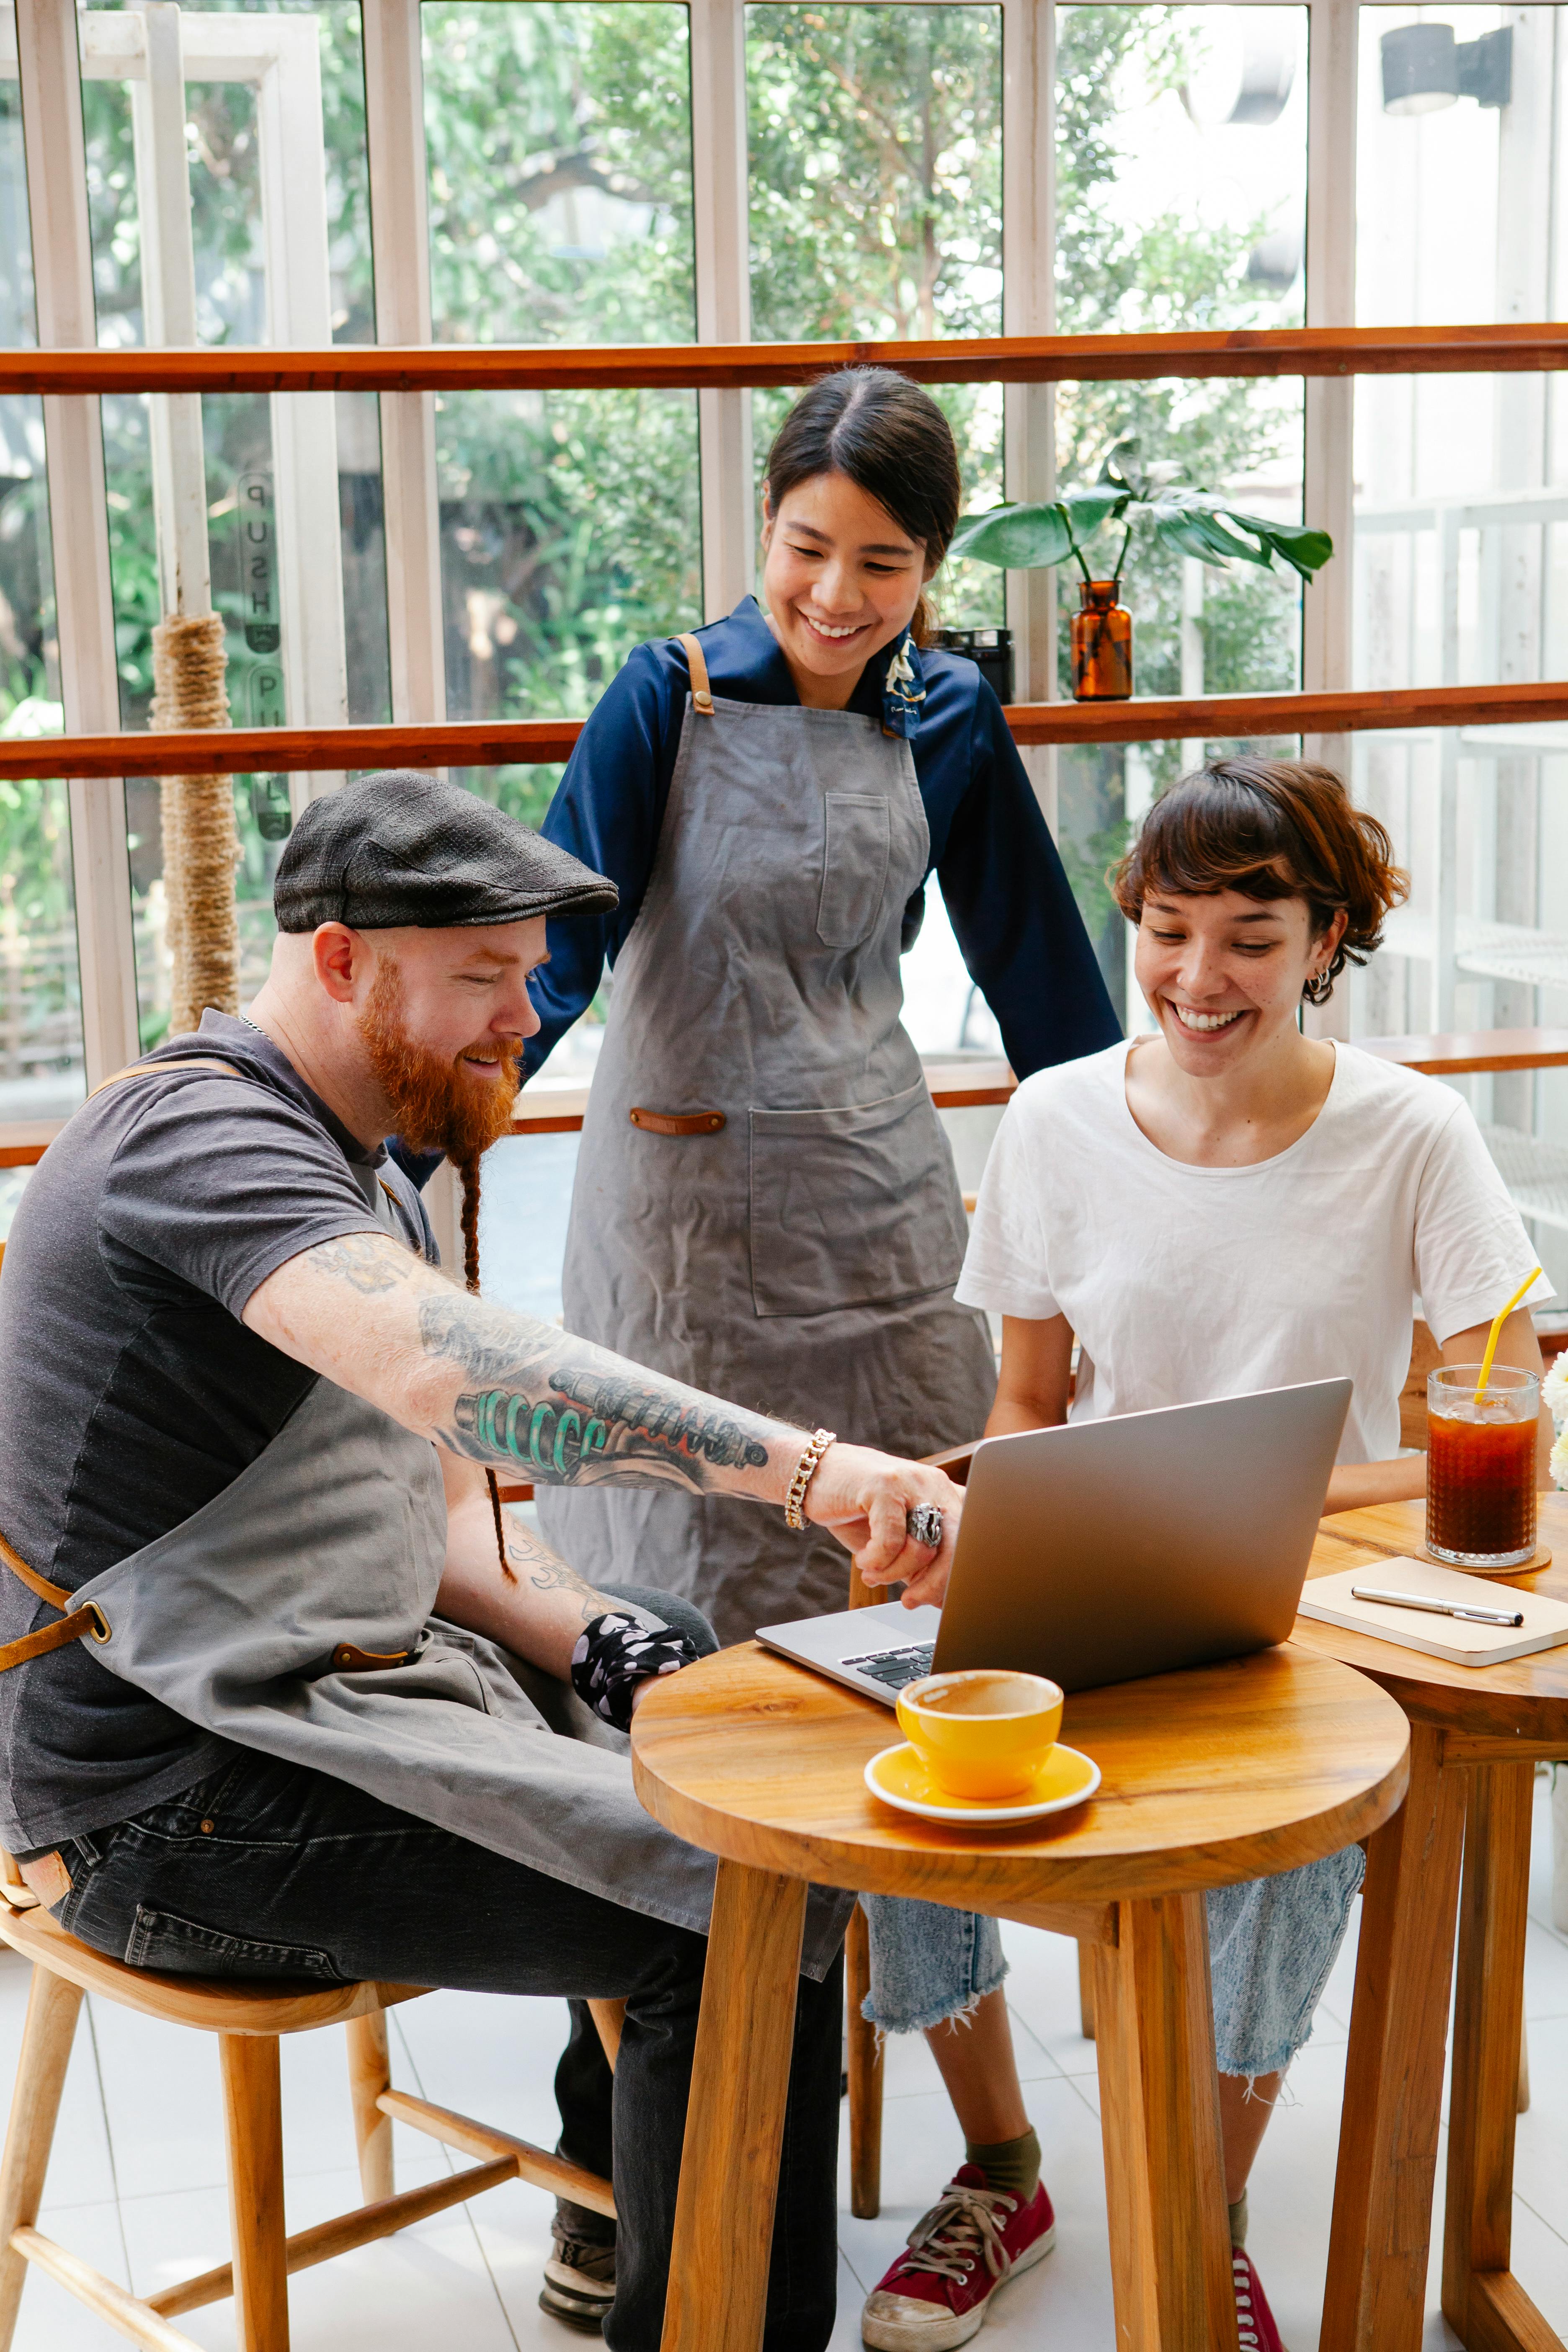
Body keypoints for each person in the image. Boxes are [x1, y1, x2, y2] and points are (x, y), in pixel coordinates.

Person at [0, 770, 967, 2352]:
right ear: (338, 960)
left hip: (295, 1679)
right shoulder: (199, 1139)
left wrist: (605, 1648)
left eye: (528, 976)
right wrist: (814, 1471)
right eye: (483, 979)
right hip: (152, 1800)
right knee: (738, 1904)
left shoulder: (365, 1147)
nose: (527, 1018)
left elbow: (443, 1516)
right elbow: (461, 1378)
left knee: (655, 1629)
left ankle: (618, 2220)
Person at [517, 368, 1119, 2313]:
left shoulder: (950, 714)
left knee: (908, 1650)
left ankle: (974, 2140)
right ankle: (615, 2134)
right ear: (757, 525)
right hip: (680, 1255)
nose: (835, 596)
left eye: (879, 564)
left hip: (875, 1232)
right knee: (667, 1675)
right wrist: (398, 1126)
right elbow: (551, 952)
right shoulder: (662, 695)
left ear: (931, 571)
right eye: (804, 551)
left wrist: (1126, 1211)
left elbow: (1047, 984)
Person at [856, 757, 1553, 2352]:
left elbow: (1498, 1418)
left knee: (1296, 1844)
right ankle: (1000, 2168)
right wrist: (970, 1524)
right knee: (891, 1734)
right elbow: (1026, 1406)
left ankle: (1206, 2200)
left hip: (1314, 1613)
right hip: (1088, 1588)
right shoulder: (1053, 1117)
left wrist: (1280, 1503)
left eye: (1251, 934)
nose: (1198, 976)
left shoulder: (1413, 1136)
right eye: (1169, 929)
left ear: (1327, 941)